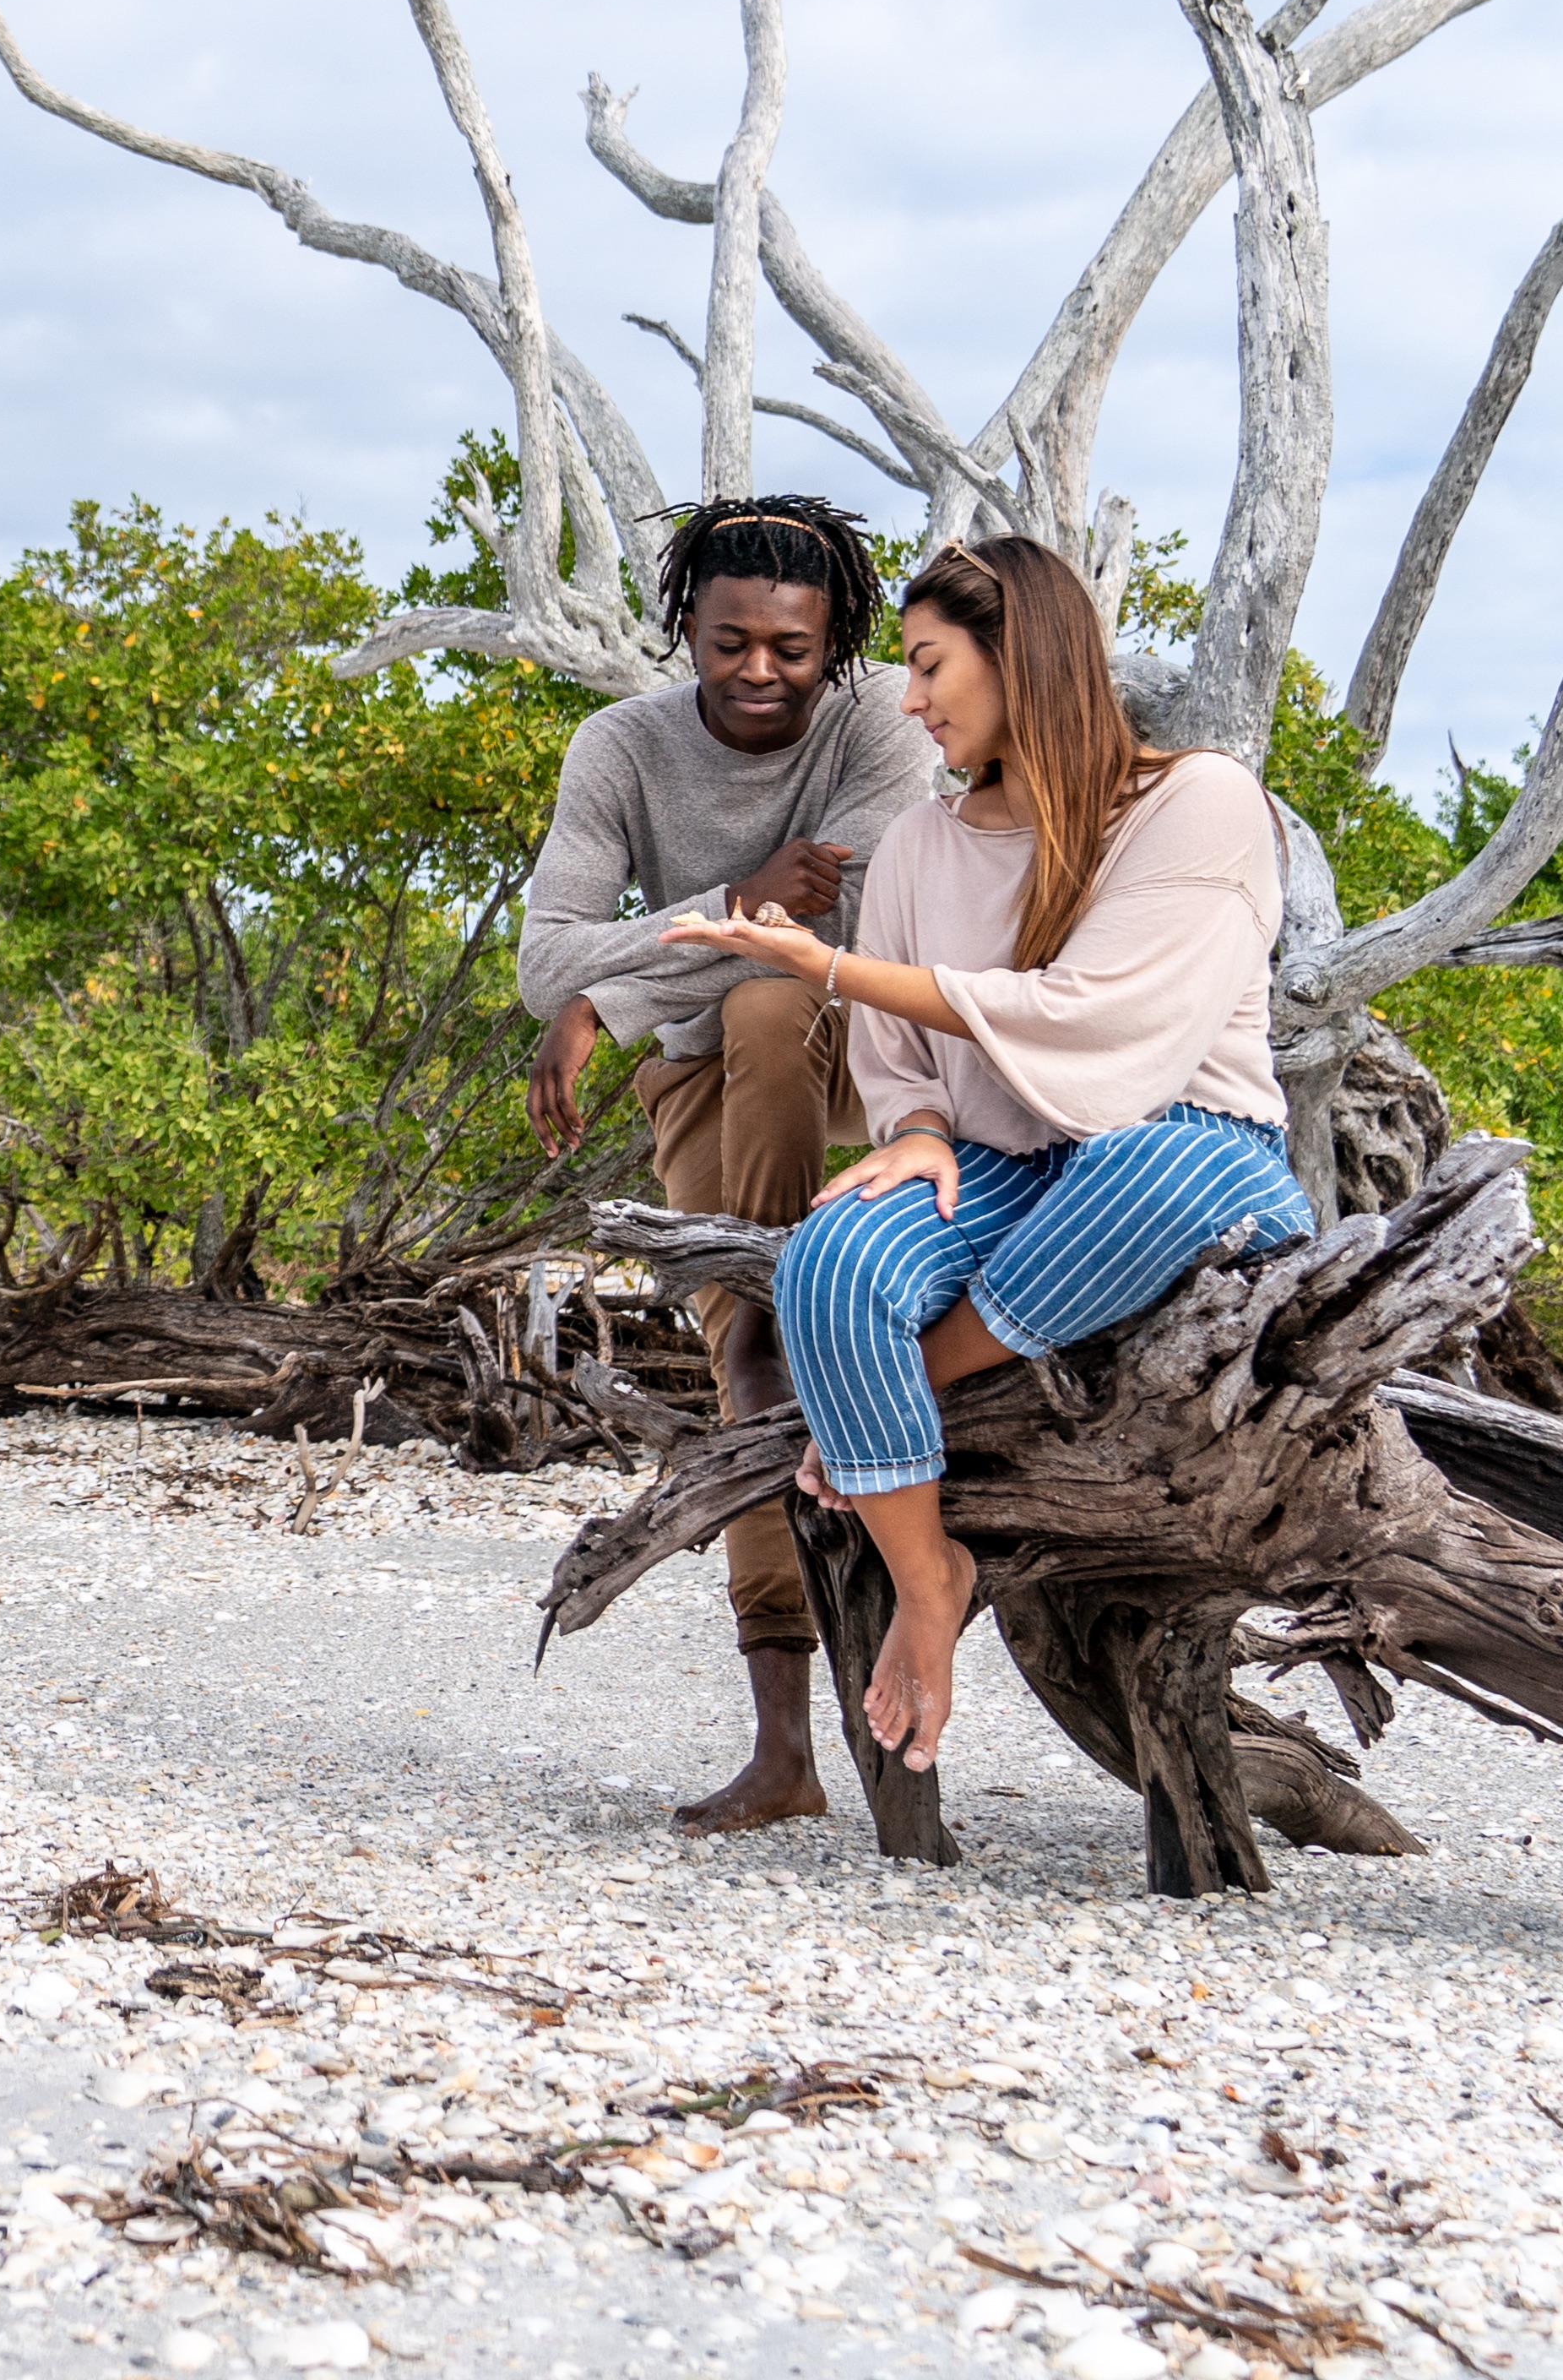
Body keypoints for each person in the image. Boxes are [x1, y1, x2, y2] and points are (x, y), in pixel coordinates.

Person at [653, 531, 1309, 1778]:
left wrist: (828, 965)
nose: (908, 699)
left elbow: (1100, 1025)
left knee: (1142, 1175)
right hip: (1002, 1170)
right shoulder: (919, 842)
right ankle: (927, 1576)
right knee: (831, 1266)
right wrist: (912, 1133)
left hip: (1187, 1154)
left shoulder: (1200, 801)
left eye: (928, 664)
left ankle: (900, 1406)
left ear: (1022, 658)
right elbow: (900, 1060)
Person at [516, 492, 943, 1833]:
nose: (761, 672)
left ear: (840, 647)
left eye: (794, 650)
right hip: (706, 1072)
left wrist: (629, 987)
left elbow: (863, 927)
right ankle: (786, 1753)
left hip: (867, 1064)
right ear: (684, 631)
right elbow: (544, 960)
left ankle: (779, 1294)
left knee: (772, 998)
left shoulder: (881, 732)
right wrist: (736, 901)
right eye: (730, 643)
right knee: (751, 1380)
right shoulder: (620, 747)